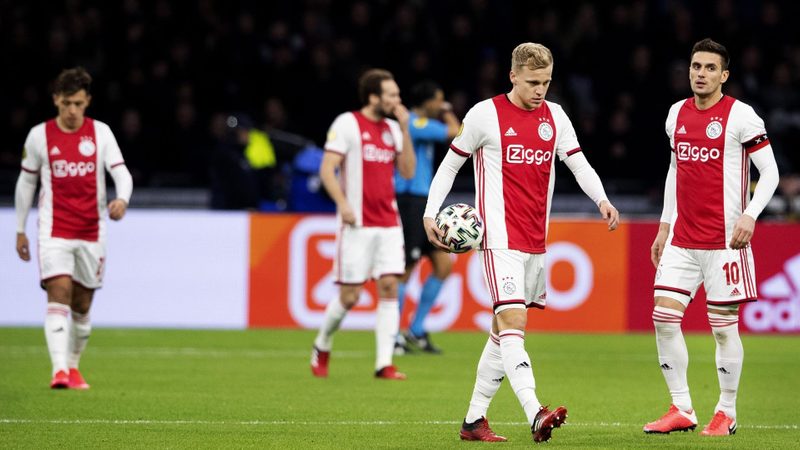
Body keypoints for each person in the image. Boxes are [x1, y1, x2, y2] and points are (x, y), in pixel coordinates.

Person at [423, 43, 619, 443]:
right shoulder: (484, 115)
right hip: (498, 240)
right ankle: (535, 412)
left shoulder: (556, 117)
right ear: (513, 76)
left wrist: (602, 199)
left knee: (501, 333)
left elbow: (578, 163)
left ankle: (473, 421)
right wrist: (430, 213)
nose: (539, 90)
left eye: (546, 82)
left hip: (535, 242)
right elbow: (450, 165)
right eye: (532, 82)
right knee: (514, 322)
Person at [644, 38, 779, 436]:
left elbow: (770, 172)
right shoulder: (676, 114)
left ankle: (727, 412)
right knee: (663, 318)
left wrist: (751, 215)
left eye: (709, 68)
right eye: (695, 66)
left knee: (722, 327)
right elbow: (675, 169)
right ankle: (682, 408)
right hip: (682, 240)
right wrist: (664, 224)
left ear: (724, 75)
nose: (700, 74)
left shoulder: (741, 116)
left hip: (725, 243)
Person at [14, 67, 133, 389]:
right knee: (59, 293)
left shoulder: (101, 133)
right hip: (54, 230)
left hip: (92, 231)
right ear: (56, 100)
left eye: (78, 104)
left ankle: (73, 365)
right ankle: (59, 371)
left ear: (87, 101)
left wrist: (122, 200)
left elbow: (121, 173)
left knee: (82, 305)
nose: (72, 110)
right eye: (66, 103)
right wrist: (20, 228)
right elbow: (26, 183)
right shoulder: (39, 135)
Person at [310, 68, 415, 380]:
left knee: (389, 286)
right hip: (357, 224)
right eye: (391, 95)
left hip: (389, 223)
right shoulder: (347, 123)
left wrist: (406, 129)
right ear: (373, 97)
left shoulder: (394, 129)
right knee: (350, 296)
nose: (397, 100)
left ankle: (384, 363)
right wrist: (343, 204)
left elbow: (408, 172)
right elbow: (327, 169)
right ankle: (322, 343)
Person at [393, 81, 461, 355]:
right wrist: (447, 111)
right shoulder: (414, 123)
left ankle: (416, 330)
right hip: (409, 200)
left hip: (424, 203)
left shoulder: (419, 123)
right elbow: (457, 132)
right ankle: (392, 334)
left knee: (443, 264)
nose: (441, 105)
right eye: (439, 100)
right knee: (406, 267)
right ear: (428, 101)